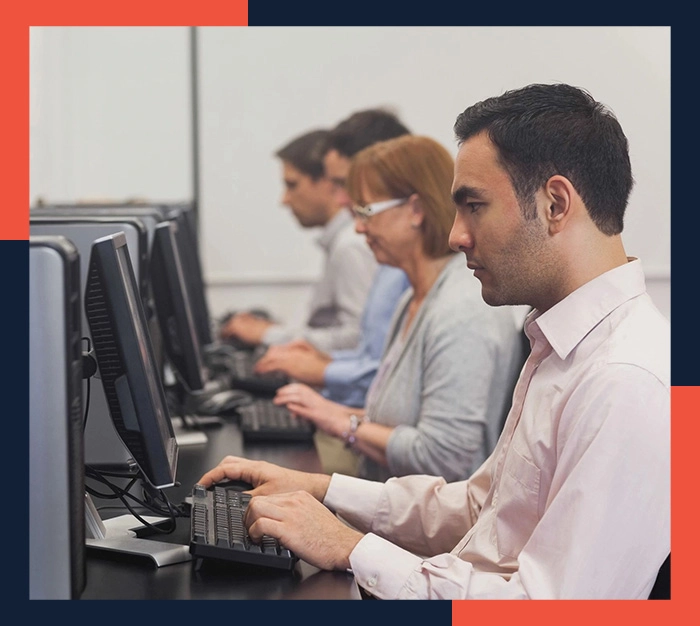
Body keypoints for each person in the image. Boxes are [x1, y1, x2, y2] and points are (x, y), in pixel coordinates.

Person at [198, 83, 670, 599]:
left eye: (474, 206)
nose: (455, 235)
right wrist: (323, 489)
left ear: (555, 203)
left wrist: (350, 547)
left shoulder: (625, 380)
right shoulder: (561, 344)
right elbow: (479, 510)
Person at [257, 133, 523, 484]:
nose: (358, 226)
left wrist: (342, 422)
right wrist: (337, 414)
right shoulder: (413, 298)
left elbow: (444, 461)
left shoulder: (462, 311)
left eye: (365, 210)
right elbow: (400, 422)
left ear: (415, 210)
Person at [254, 109, 412, 409]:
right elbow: (373, 356)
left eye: (344, 183)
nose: (340, 199)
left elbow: (379, 370)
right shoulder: (391, 263)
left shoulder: (359, 248)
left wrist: (319, 368)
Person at [219, 128, 377, 353]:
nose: (284, 200)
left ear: (327, 182)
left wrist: (267, 335)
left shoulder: (351, 245)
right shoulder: (341, 242)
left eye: (292, 185)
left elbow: (357, 338)